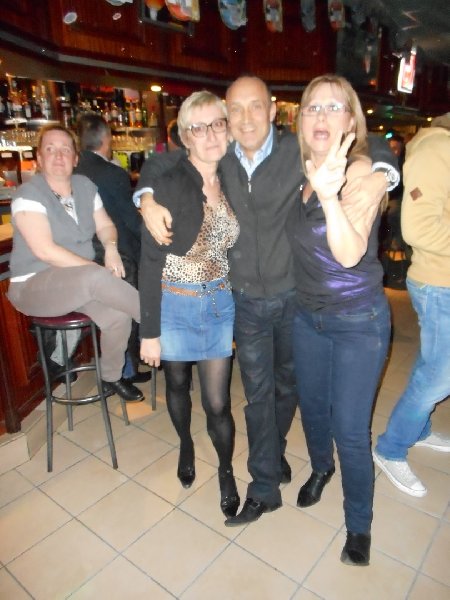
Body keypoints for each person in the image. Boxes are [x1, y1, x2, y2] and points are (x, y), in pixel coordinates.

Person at [134, 75, 399, 526]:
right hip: (246, 301)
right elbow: (165, 162)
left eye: (255, 106)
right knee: (257, 395)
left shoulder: (297, 152)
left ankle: (275, 454)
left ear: (273, 111)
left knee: (288, 387)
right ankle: (263, 488)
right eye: (235, 110)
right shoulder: (222, 156)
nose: (245, 118)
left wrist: (382, 174)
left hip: (295, 298)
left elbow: (361, 142)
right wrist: (144, 198)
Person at [286, 74, 391, 566]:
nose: (322, 115)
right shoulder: (300, 170)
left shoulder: (360, 172)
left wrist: (331, 196)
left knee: (349, 429)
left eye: (334, 106)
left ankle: (359, 524)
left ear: (351, 120)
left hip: (357, 321)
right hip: (307, 316)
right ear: (300, 120)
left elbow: (349, 255)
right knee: (312, 408)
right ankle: (320, 468)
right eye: (313, 107)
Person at [139, 91, 241, 517]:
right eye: (198, 128)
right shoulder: (168, 181)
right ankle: (185, 444)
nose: (210, 135)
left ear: (228, 128)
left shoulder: (235, 174)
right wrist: (149, 332)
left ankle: (225, 469)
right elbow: (149, 260)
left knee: (218, 402)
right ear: (185, 137)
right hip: (175, 304)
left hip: (219, 303)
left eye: (218, 124)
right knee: (178, 386)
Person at [8, 124, 142, 402]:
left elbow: (105, 225)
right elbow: (45, 251)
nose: (59, 156)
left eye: (65, 149)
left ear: (75, 157)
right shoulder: (28, 194)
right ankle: (160, 324)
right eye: (50, 149)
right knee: (95, 277)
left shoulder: (84, 186)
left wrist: (111, 249)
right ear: (39, 158)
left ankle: (111, 376)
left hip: (77, 283)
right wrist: (95, 270)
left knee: (118, 316)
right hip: (34, 285)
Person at [374, 113, 450, 497]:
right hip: (439, 283)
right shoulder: (437, 148)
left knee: (431, 365)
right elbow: (419, 228)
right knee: (440, 375)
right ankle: (391, 448)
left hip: (443, 280)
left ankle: (418, 429)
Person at [75, 112, 151, 387]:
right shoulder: (112, 173)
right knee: (127, 312)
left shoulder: (72, 171)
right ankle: (125, 372)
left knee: (112, 314)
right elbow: (130, 220)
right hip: (120, 255)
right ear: (106, 139)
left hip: (82, 259)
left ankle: (126, 367)